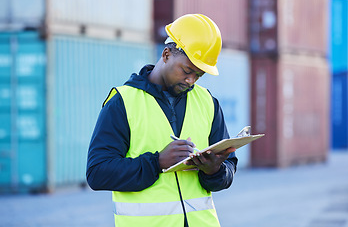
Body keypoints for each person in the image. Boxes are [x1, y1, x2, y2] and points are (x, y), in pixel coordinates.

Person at [86, 14, 238, 227]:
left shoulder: (208, 102)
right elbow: (97, 173)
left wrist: (215, 170)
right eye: (187, 71)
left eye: (199, 75)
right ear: (166, 54)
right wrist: (156, 163)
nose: (191, 80)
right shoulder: (123, 103)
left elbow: (229, 167)